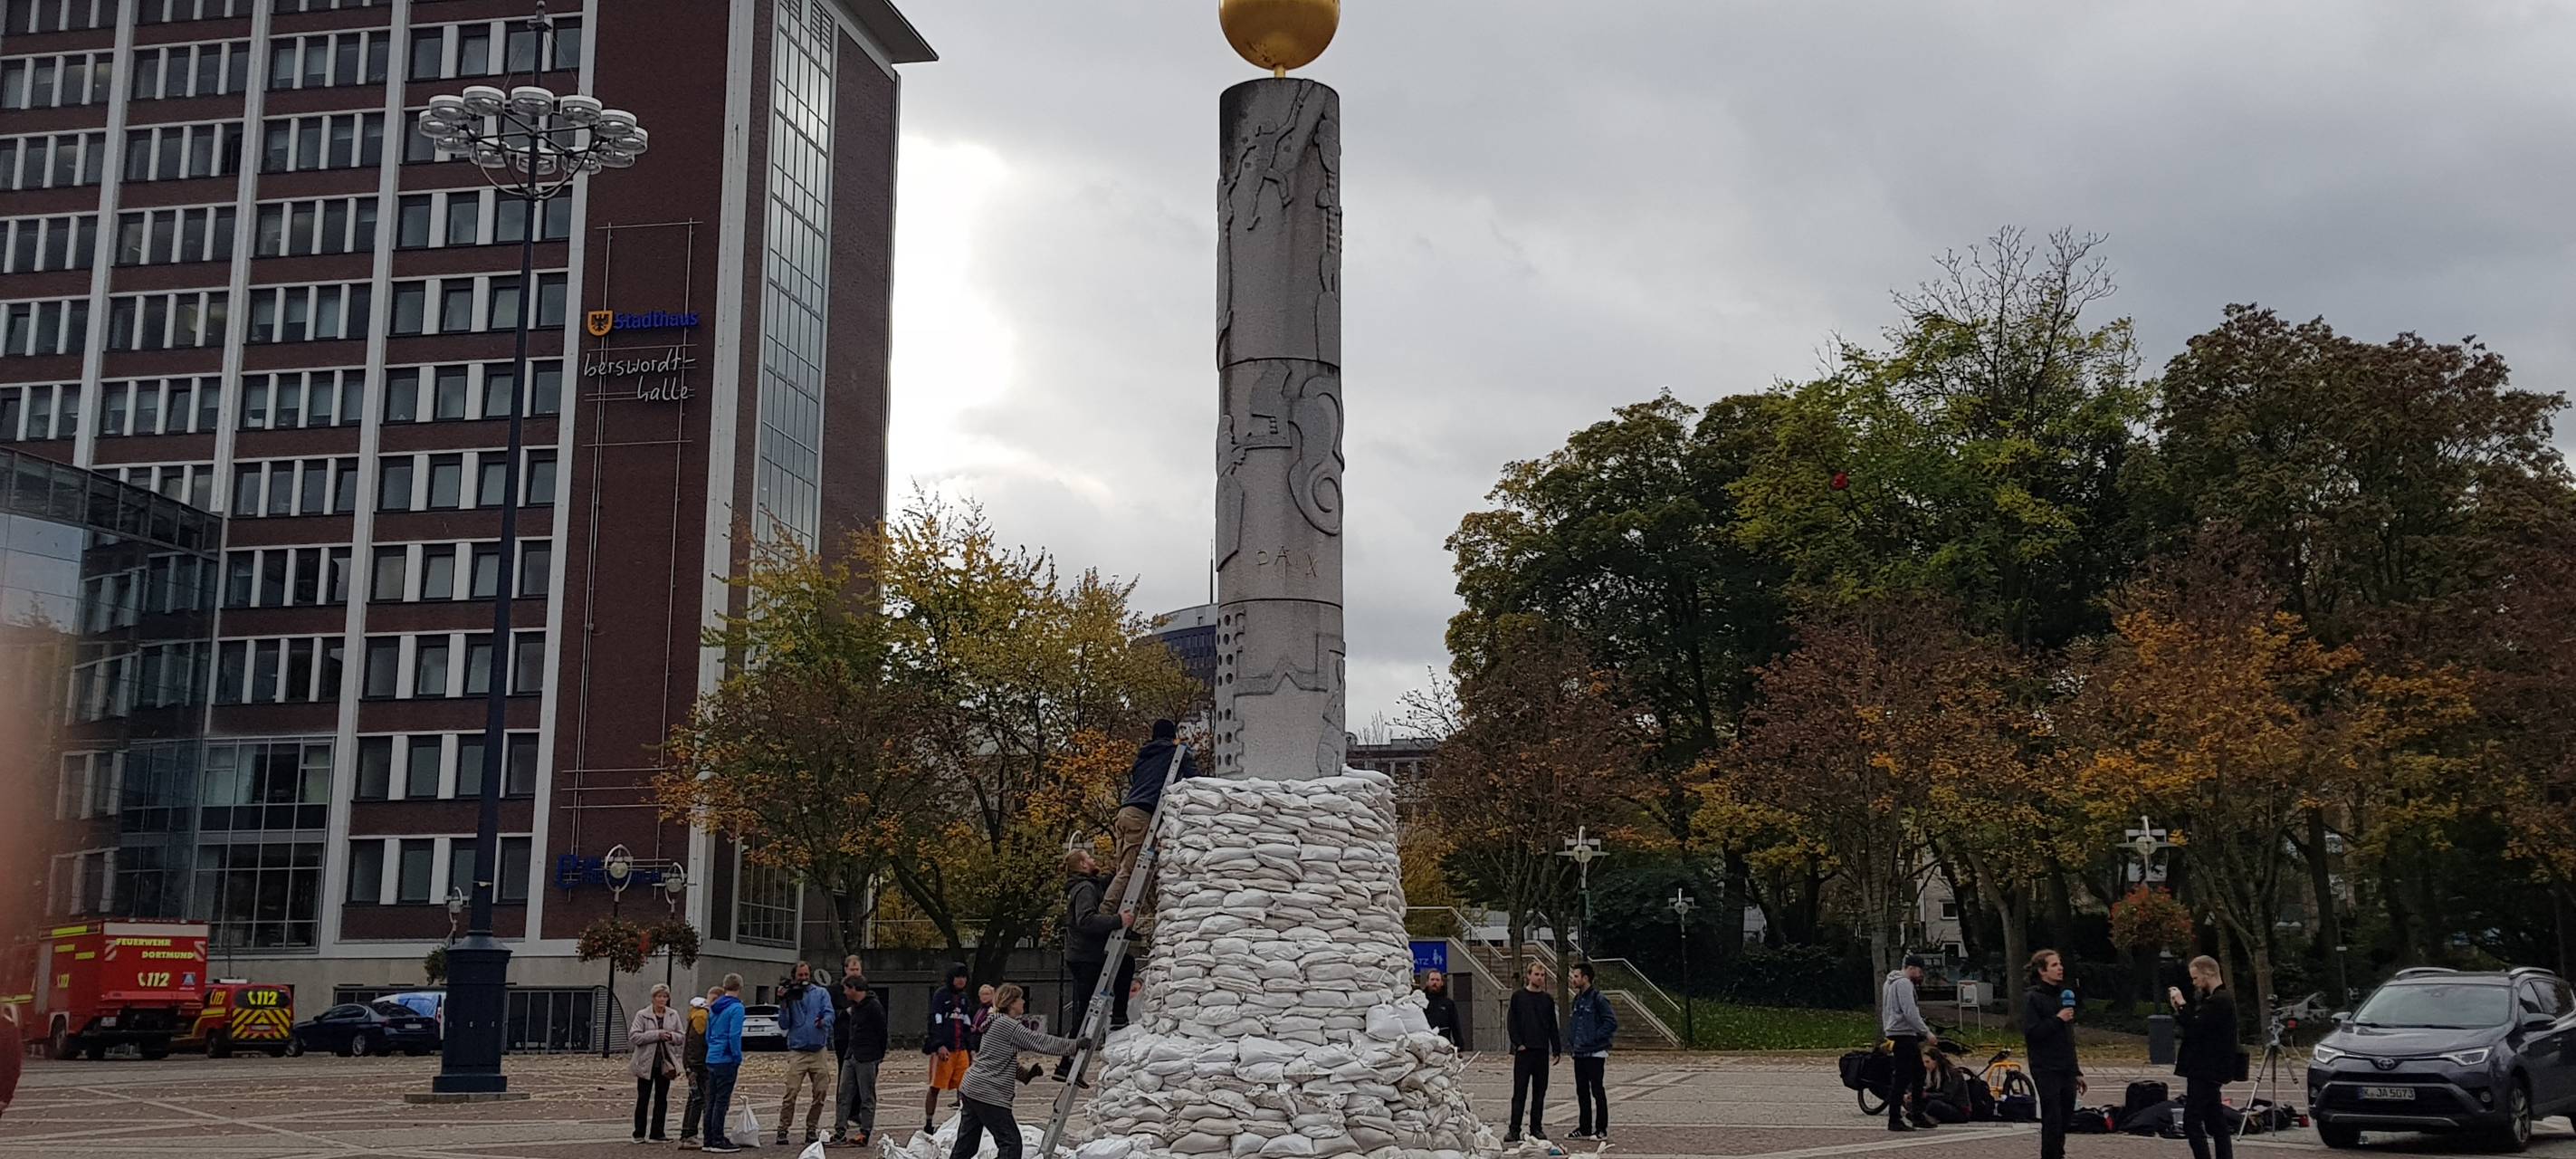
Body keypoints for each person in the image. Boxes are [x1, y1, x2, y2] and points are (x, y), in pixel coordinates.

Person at [949, 984, 1088, 1159]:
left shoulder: (995, 1022)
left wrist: (1026, 1074)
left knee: (967, 1145)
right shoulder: (1006, 1024)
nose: (1024, 1002)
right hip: (988, 1091)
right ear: (1011, 1002)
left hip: (973, 1088)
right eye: (1020, 998)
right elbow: (1038, 1041)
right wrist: (1073, 1045)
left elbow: (999, 1059)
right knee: (1010, 1143)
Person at [1100, 720, 1199, 924]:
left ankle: (1123, 918)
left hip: (1125, 813)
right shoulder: (1175, 752)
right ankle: (1104, 916)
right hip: (1142, 815)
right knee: (1131, 872)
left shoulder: (1143, 757)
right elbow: (1196, 780)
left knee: (1125, 871)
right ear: (1173, 735)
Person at [2170, 955, 2238, 1159]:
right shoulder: (2220, 1000)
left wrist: (2182, 1005)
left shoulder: (2218, 1001)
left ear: (2208, 974)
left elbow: (2195, 1027)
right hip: (2211, 1070)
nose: (2194, 982)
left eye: (2196, 977)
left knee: (2193, 1122)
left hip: (2205, 1070)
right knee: (2215, 1120)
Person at [1063, 848, 1136, 1033]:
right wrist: (1118, 921)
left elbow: (1105, 884)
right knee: (1086, 1010)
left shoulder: (1086, 886)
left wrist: (1122, 869)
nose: (1093, 859)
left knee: (1124, 963)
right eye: (1089, 858)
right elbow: (1086, 920)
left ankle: (1069, 1059)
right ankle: (1118, 1016)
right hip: (1086, 955)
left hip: (1082, 954)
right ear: (1082, 864)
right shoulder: (1086, 888)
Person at [2021, 950, 2083, 1159]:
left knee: (2066, 1116)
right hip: (2045, 1066)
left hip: (2065, 1066)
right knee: (2052, 1116)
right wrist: (2057, 1019)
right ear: (2042, 971)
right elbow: (2033, 1033)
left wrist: (2076, 1070)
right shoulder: (2033, 998)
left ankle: (2059, 1152)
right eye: (2055, 965)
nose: (2060, 968)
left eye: (2060, 964)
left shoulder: (2063, 997)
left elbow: (2068, 1038)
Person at [777, 961, 837, 1146]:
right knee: (791, 1091)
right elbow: (784, 1024)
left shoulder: (820, 993)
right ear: (794, 977)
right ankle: (783, 1129)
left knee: (821, 1091)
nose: (803, 979)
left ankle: (812, 1128)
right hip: (797, 1050)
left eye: (806, 975)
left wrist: (823, 1022)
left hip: (818, 1049)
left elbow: (830, 1014)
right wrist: (784, 1003)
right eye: (800, 975)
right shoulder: (791, 995)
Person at [831, 969, 889, 1148]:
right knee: (844, 1094)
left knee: (866, 1096)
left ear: (854, 988)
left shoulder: (873, 1006)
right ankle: (839, 1130)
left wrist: (878, 1056)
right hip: (852, 1054)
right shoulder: (855, 1007)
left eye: (847, 989)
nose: (844, 993)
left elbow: (882, 1032)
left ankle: (865, 1132)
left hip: (867, 1056)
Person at [1504, 963, 1560, 1145]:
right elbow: (1512, 1022)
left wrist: (1556, 1048)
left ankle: (1536, 1127)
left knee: (1539, 1092)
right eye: (1537, 974)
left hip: (1541, 1051)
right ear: (1528, 976)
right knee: (1519, 1092)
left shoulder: (1547, 1000)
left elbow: (1552, 1025)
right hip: (1524, 1051)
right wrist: (1518, 1043)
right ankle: (1514, 1129)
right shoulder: (1518, 997)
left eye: (1543, 975)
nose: (1540, 978)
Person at [1881, 954, 1934, 1131]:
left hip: (1894, 1032)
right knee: (1903, 1076)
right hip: (1904, 1034)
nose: (1920, 975)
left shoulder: (1889, 982)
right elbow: (1910, 1011)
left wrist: (1886, 1030)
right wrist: (1926, 1032)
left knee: (1917, 1073)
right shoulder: (1904, 983)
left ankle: (1916, 1114)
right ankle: (1895, 1119)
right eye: (1919, 971)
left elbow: (1886, 1010)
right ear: (1912, 968)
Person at [1566, 963, 1619, 1142]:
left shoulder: (1598, 999)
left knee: (1597, 1090)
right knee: (1582, 1091)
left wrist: (1595, 1037)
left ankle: (1601, 1128)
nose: (1573, 979)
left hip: (1594, 1053)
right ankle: (1585, 1127)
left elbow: (1611, 1022)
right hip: (1579, 1052)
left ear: (1585, 978)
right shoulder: (1577, 999)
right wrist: (1573, 1041)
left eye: (1576, 976)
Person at [923, 963, 976, 1135]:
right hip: (944, 1051)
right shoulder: (941, 996)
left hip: (961, 1049)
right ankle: (929, 1121)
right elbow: (935, 1021)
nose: (961, 980)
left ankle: (963, 1121)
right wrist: (939, 1044)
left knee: (964, 1087)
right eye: (958, 977)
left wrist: (970, 1047)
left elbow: (967, 1023)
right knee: (935, 1086)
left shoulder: (964, 999)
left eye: (964, 977)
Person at [631, 982, 686, 1144]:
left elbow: (681, 1036)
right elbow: (635, 1036)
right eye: (659, 996)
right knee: (643, 1098)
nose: (662, 999)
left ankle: (657, 1132)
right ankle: (639, 1132)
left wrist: (671, 1036)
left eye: (665, 996)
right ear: (653, 998)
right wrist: (656, 1034)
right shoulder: (643, 1015)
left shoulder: (673, 1015)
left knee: (662, 1098)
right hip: (646, 1062)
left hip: (665, 1062)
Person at [702, 973, 748, 1154]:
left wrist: (712, 1047)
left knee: (711, 1100)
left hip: (712, 1056)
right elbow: (734, 1034)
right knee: (722, 1101)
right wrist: (737, 1056)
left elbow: (708, 1034)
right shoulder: (736, 1008)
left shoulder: (714, 1007)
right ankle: (718, 1139)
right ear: (740, 987)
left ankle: (708, 1138)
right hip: (726, 1058)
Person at [680, 987, 719, 1148]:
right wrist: (695, 1066)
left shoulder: (697, 1014)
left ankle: (688, 1133)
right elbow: (696, 1043)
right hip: (699, 1064)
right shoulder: (702, 1017)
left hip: (694, 1063)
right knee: (699, 1098)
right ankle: (689, 1134)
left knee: (695, 1097)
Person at [1922, 1052, 1974, 1125]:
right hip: (1944, 1104)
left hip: (1959, 1110)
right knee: (1915, 1101)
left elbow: (1947, 1096)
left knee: (1934, 1104)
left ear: (1936, 1061)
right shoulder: (1930, 1074)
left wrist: (1927, 1095)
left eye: (1928, 1062)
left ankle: (1926, 1116)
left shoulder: (1952, 1074)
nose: (1925, 1065)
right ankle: (1921, 1115)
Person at [1419, 971, 1461, 1049]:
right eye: (1432, 979)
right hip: (1423, 1043)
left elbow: (1455, 1026)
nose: (1434, 982)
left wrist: (1459, 1045)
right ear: (1427, 982)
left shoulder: (1448, 1003)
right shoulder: (1420, 1001)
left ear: (1442, 983)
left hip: (1443, 1043)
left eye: (1437, 980)